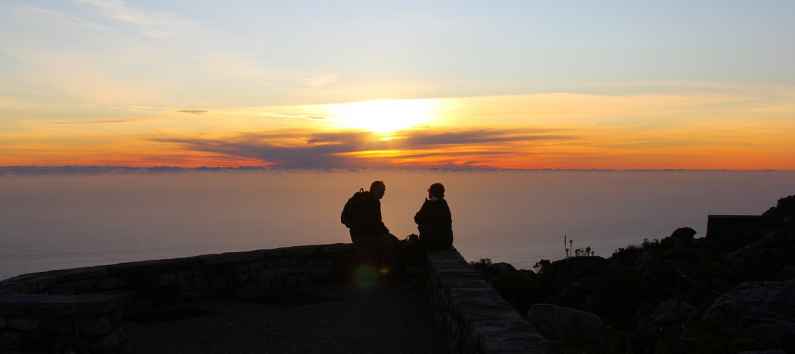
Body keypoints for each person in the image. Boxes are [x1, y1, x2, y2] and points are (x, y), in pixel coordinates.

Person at [341, 180, 398, 269]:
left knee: (388, 241)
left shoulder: (374, 202)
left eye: (384, 191)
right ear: (375, 190)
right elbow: (376, 224)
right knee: (387, 245)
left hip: (360, 236)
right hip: (363, 237)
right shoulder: (368, 202)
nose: (383, 193)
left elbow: (377, 223)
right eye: (382, 191)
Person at [414, 183, 453, 251]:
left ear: (432, 193)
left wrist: (425, 205)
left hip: (430, 243)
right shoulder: (444, 204)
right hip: (446, 243)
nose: (428, 193)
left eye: (429, 192)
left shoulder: (428, 205)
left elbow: (416, 218)